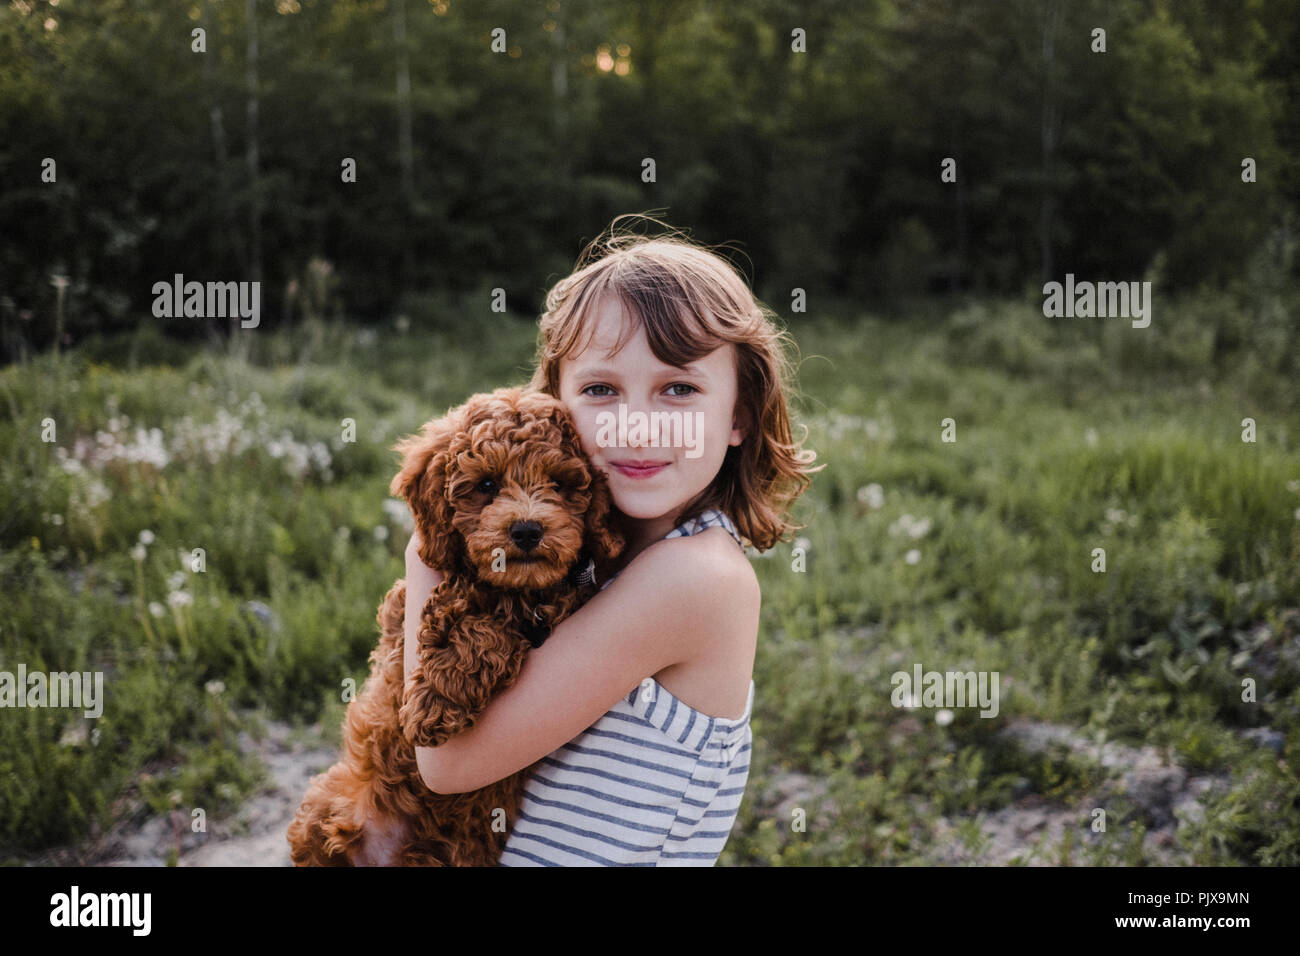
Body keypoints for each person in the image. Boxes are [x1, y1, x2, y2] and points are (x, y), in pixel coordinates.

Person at [402, 215, 821, 865]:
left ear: (738, 415)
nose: (637, 426)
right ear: (556, 404)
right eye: (601, 389)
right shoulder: (590, 562)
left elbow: (447, 760)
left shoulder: (693, 580)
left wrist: (428, 550)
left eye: (678, 388)